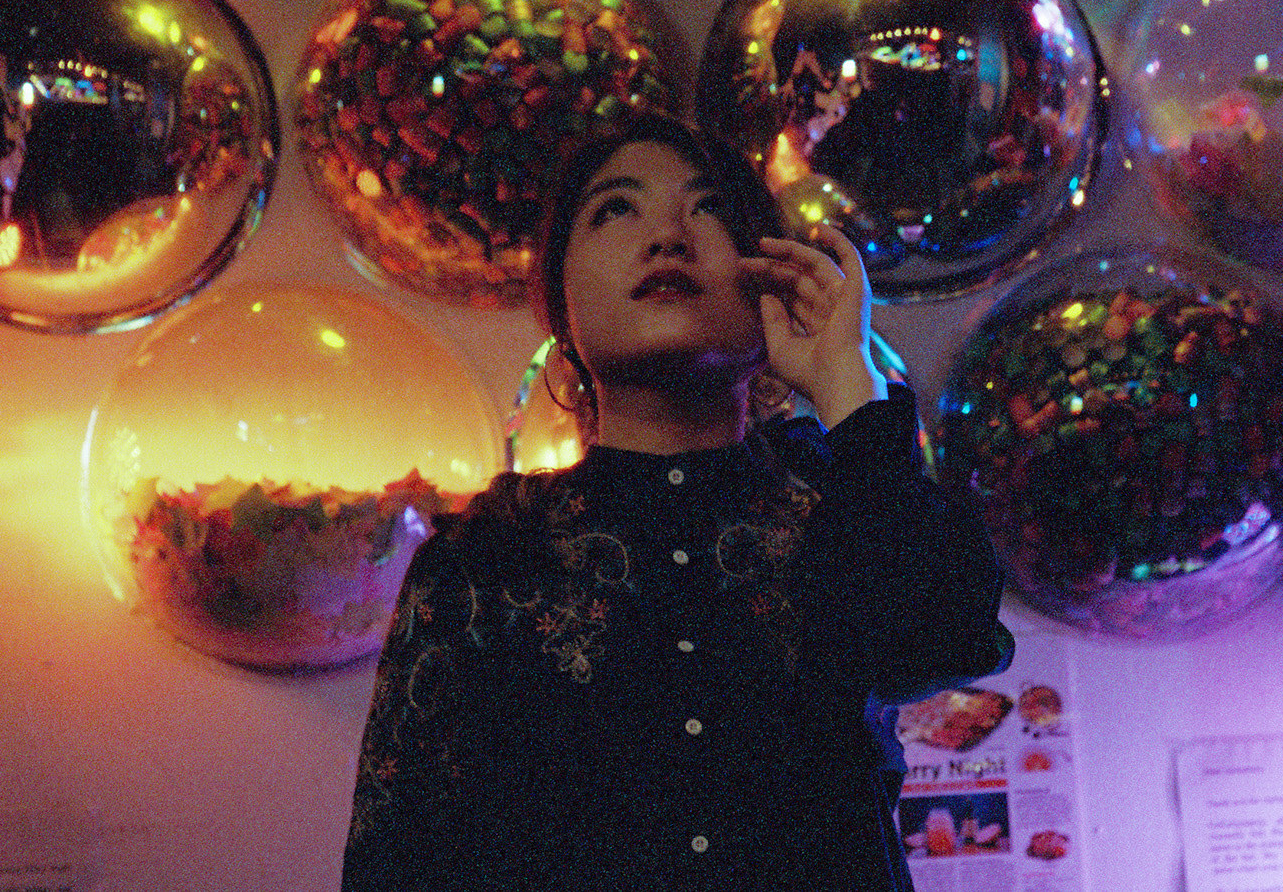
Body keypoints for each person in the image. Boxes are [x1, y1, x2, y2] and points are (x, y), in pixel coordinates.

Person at [342, 112, 1012, 892]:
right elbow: (396, 859)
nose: (667, 237)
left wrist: (846, 381)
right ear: (561, 307)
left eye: (709, 209)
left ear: (768, 276)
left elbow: (945, 641)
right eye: (616, 209)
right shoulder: (483, 559)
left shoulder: (841, 507)